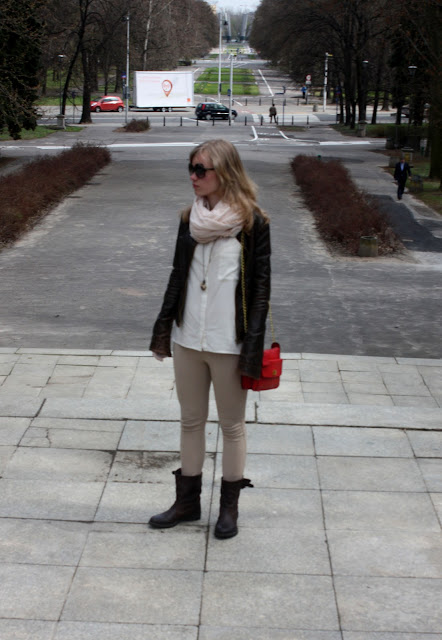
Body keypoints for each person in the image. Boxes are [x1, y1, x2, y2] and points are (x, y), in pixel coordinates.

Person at [149, 139, 271, 539]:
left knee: (232, 425)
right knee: (190, 420)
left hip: (228, 343)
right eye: (191, 168)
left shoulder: (253, 223)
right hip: (188, 339)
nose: (193, 176)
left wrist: (252, 345)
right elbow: (177, 276)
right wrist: (164, 328)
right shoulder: (189, 219)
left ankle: (229, 509)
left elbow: (260, 291)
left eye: (201, 169)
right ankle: (187, 503)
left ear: (225, 172)